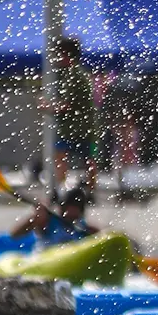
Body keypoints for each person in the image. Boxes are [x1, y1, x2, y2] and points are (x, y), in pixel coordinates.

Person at [48, 37, 101, 197]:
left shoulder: (74, 75)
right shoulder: (74, 74)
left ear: (66, 55)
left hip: (76, 128)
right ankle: (89, 192)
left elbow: (66, 105)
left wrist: (46, 106)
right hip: (82, 127)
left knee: (64, 156)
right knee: (87, 159)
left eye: (59, 54)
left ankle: (63, 191)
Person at [9, 185, 99, 248]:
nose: (71, 212)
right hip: (44, 259)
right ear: (62, 208)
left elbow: (101, 235)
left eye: (76, 207)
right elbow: (14, 234)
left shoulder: (82, 226)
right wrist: (35, 218)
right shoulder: (47, 221)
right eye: (69, 207)